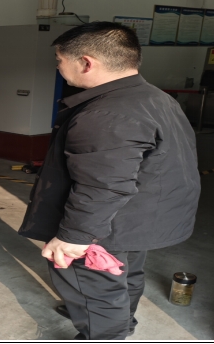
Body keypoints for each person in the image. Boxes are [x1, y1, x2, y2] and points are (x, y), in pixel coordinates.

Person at [18, 22, 201, 340]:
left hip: (107, 223)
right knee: (125, 273)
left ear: (86, 63)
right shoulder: (155, 97)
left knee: (92, 286)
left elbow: (102, 185)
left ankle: (104, 329)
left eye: (60, 61)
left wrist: (74, 237)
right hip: (140, 215)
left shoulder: (105, 115)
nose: (59, 68)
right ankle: (119, 321)